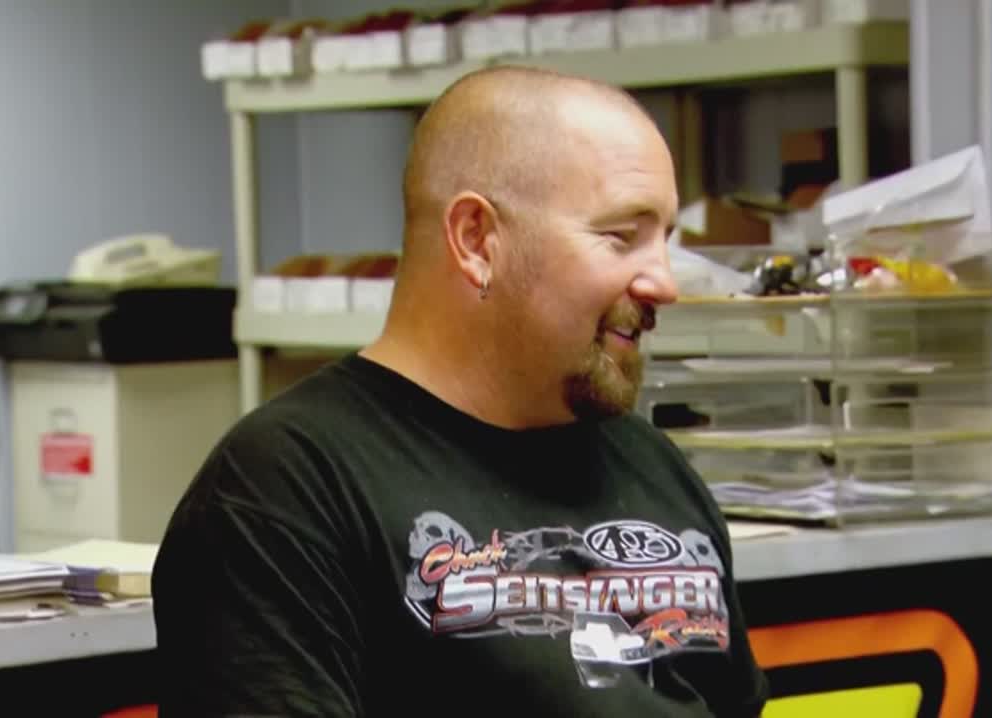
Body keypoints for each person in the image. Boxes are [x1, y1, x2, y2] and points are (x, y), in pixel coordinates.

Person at [151, 65, 769, 717]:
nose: (664, 284)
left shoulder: (653, 467)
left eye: (665, 241)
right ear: (477, 240)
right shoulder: (285, 489)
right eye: (621, 237)